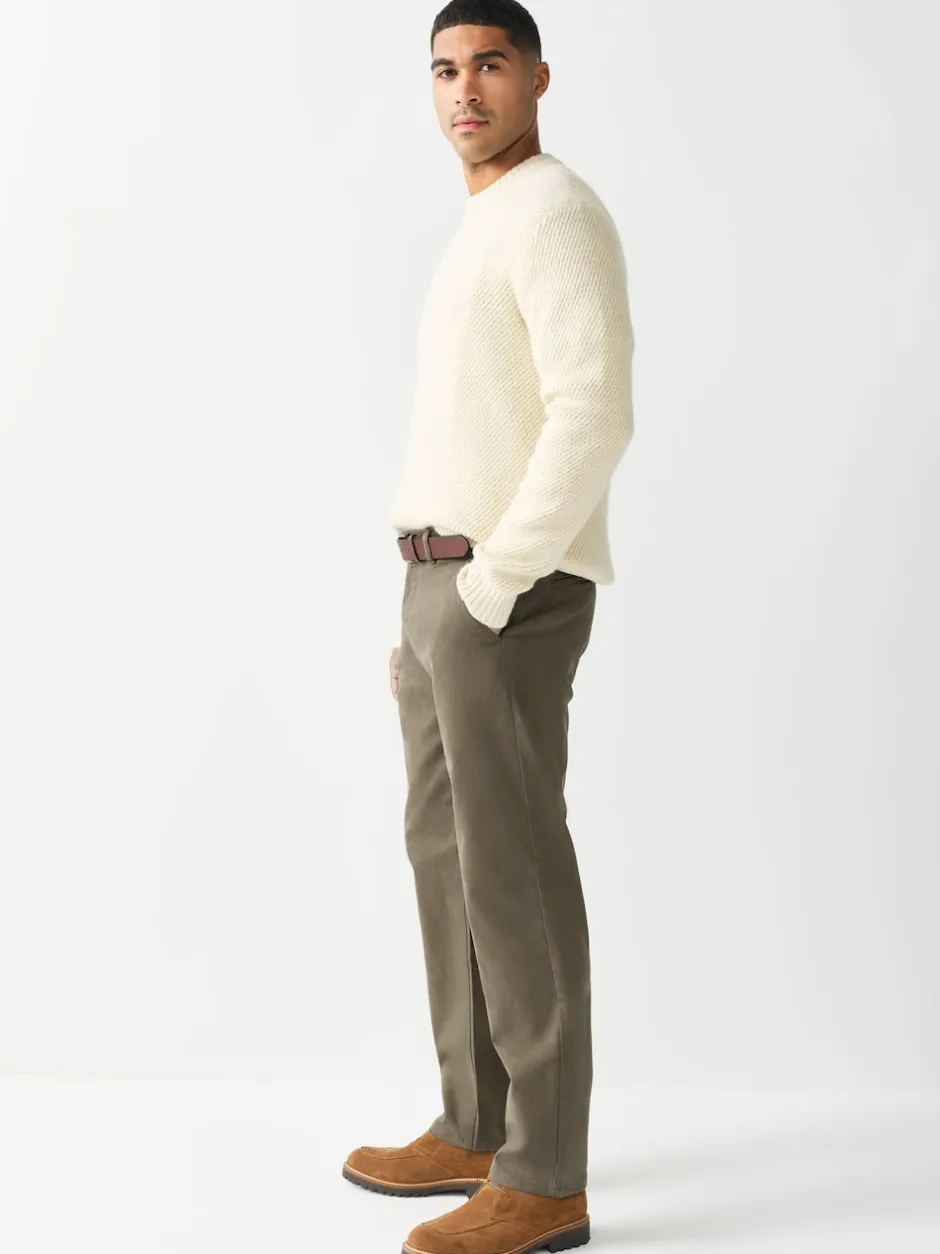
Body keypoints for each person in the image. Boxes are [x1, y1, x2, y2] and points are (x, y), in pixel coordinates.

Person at [344, 3, 635, 1250]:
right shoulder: (483, 224)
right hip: (439, 587)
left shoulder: (555, 211)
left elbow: (593, 410)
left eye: (489, 66)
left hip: (504, 592)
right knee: (445, 854)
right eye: (445, 71)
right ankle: (473, 1125)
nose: (464, 90)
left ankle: (546, 1173)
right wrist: (422, 607)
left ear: (537, 79)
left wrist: (491, 581)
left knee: (512, 868)